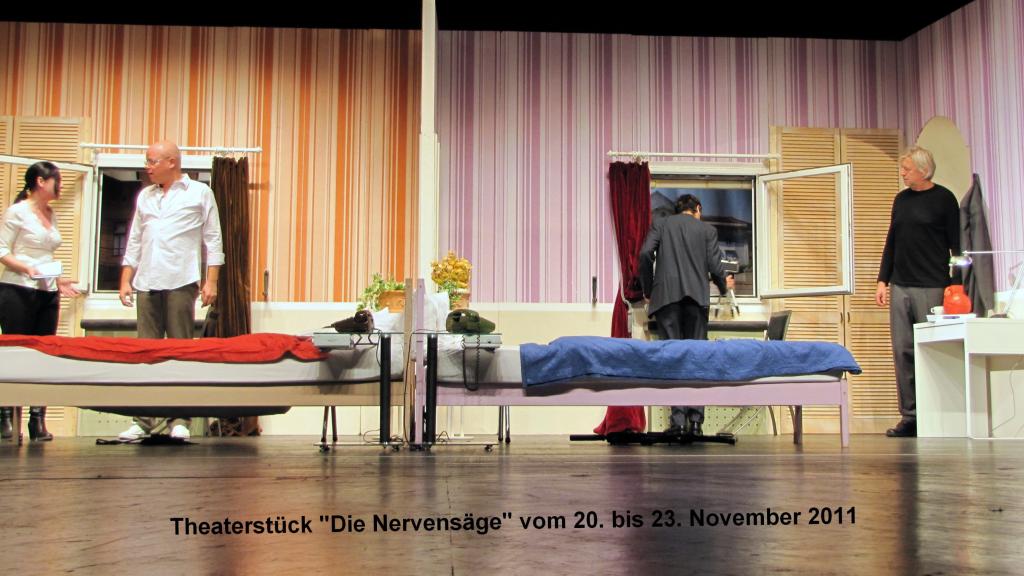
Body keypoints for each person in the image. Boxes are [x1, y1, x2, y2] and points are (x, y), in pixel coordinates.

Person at [117, 140, 224, 441]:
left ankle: (180, 420)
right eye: (147, 161)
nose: (148, 167)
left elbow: (213, 238)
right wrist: (126, 278)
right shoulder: (146, 196)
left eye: (152, 161)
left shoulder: (199, 192)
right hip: (146, 282)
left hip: (180, 280)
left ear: (171, 162)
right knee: (145, 355)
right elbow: (135, 239)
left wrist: (212, 280)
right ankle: (143, 420)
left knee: (180, 353)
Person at [876, 146, 960, 438]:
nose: (903, 173)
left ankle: (937, 414)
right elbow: (892, 240)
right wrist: (883, 280)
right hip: (901, 284)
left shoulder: (944, 199)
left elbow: (956, 245)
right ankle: (910, 416)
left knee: (933, 351)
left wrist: (956, 284)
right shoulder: (901, 200)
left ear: (924, 171)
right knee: (903, 351)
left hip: (933, 284)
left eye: (907, 169)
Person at [639, 194, 734, 435]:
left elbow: (645, 254)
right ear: (698, 209)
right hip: (696, 300)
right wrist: (724, 287)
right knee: (697, 359)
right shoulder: (707, 230)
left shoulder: (661, 224)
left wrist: (649, 290)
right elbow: (715, 266)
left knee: (673, 358)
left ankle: (678, 422)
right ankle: (696, 422)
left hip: (666, 299)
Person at [0, 161, 81, 441]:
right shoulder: (18, 211)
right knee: (15, 352)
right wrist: (27, 268)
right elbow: (2, 249)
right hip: (18, 289)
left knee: (44, 352)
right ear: (40, 181)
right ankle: (6, 417)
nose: (60, 185)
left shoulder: (50, 213)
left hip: (47, 290)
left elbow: (46, 255)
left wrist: (59, 280)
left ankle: (37, 420)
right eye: (57, 180)